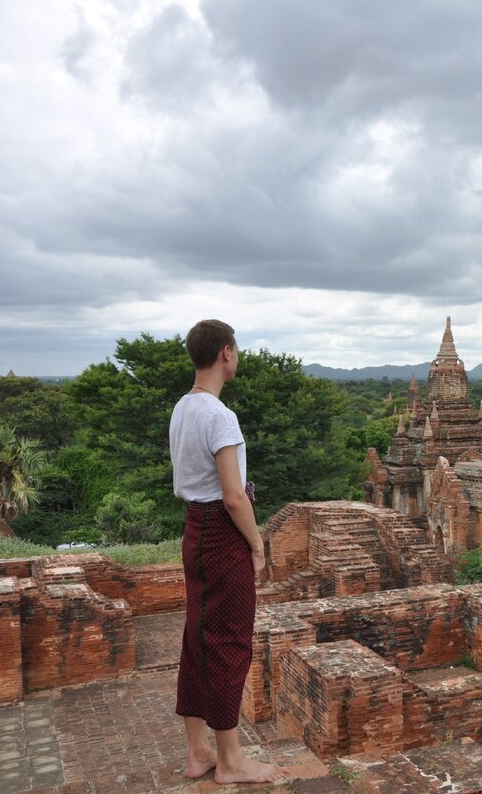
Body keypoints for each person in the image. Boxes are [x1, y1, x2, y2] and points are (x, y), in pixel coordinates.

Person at [169, 319, 282, 785]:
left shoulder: (183, 407)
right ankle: (231, 761)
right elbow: (234, 495)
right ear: (226, 353)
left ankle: (199, 753)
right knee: (230, 642)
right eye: (236, 351)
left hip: (195, 530)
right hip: (221, 532)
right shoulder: (219, 415)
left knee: (198, 637)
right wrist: (257, 544)